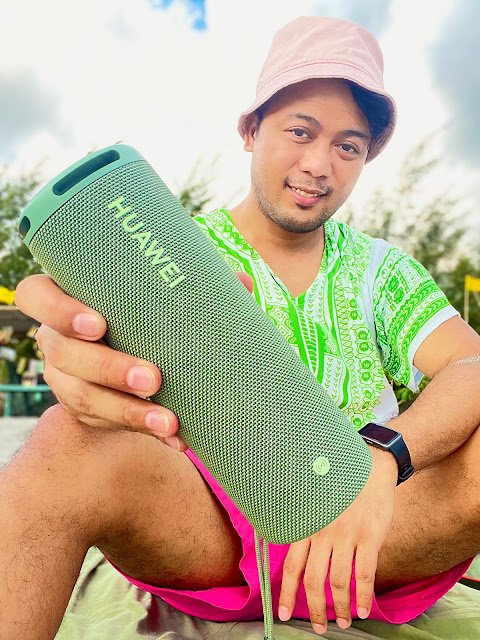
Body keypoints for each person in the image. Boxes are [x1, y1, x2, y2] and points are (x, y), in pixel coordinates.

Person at [3, 15, 480, 640]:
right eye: (300, 131)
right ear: (251, 130)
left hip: (380, 532)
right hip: (215, 529)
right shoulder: (171, 251)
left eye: (348, 146)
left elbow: (471, 365)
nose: (319, 164)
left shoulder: (382, 270)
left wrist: (381, 458)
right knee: (63, 438)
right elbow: (93, 365)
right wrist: (74, 353)